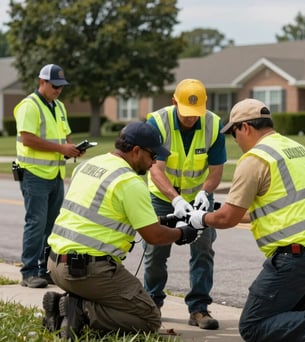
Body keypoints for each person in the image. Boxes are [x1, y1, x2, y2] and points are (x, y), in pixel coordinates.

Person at [188, 98, 305, 342]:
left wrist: (201, 218)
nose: (235, 140)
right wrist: (216, 211)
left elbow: (228, 218)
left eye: (234, 133)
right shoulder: (298, 149)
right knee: (283, 310)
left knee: (253, 325)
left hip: (296, 257)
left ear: (246, 127)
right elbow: (277, 208)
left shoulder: (255, 159)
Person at [42, 122, 199, 339]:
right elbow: (153, 236)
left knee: (123, 303)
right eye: (153, 155)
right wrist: (183, 233)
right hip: (88, 272)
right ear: (136, 151)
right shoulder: (130, 181)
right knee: (148, 318)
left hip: (55, 264)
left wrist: (165, 219)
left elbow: (104, 214)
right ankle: (78, 309)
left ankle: (72, 306)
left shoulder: (89, 165)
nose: (155, 162)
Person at [143, 78, 227, 330]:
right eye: (186, 113)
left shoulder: (213, 124)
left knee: (203, 250)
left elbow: (216, 170)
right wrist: (175, 198)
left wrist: (205, 192)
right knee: (156, 251)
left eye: (195, 113)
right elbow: (155, 169)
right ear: (174, 102)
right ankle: (152, 304)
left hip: (199, 197)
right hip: (162, 197)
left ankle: (199, 309)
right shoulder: (157, 123)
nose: (191, 118)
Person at [14, 64, 81, 288]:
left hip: (55, 173)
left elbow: (65, 135)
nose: (58, 90)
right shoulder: (29, 106)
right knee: (36, 223)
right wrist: (61, 149)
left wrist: (73, 147)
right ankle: (29, 272)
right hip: (34, 175)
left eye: (61, 87)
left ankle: (45, 269)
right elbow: (28, 139)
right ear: (42, 82)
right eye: (55, 86)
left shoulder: (59, 106)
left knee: (52, 225)